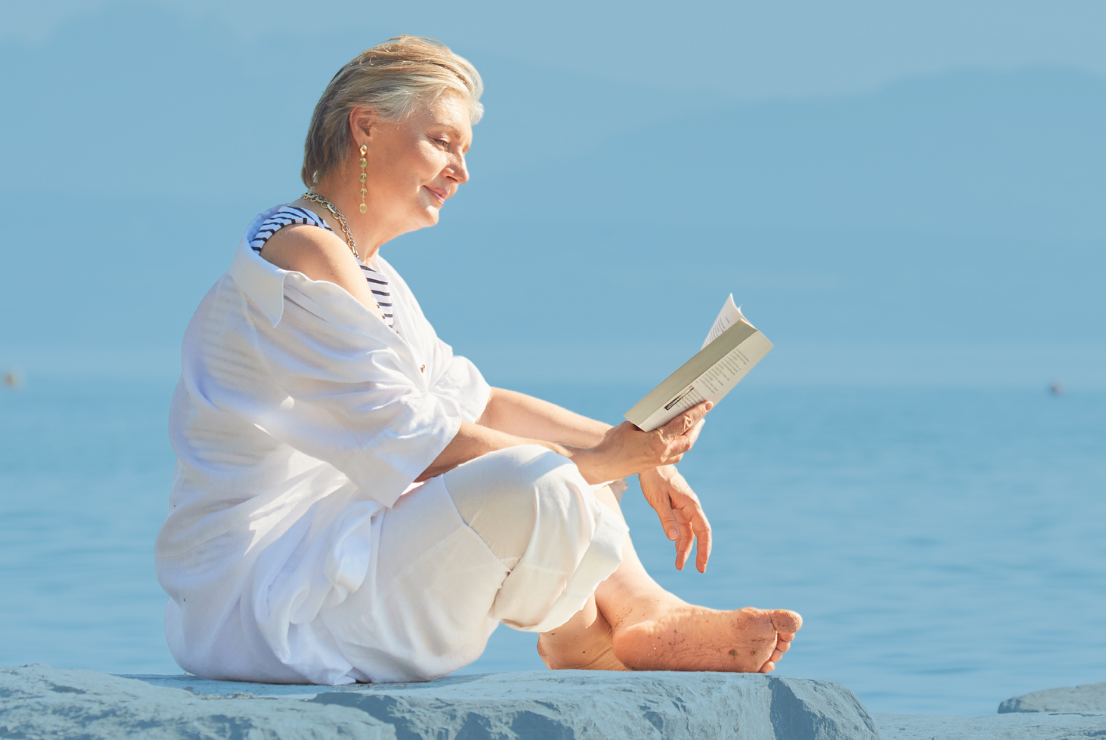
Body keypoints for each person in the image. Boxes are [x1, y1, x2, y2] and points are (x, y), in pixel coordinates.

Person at [155, 36, 802, 685]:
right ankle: (606, 626)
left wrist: (634, 450)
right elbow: (414, 441)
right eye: (442, 141)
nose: (460, 170)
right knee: (540, 477)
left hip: (329, 571)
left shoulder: (370, 272)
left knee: (554, 461)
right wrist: (608, 462)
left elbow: (481, 405)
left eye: (463, 150)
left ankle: (627, 620)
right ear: (365, 127)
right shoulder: (301, 253)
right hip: (271, 611)